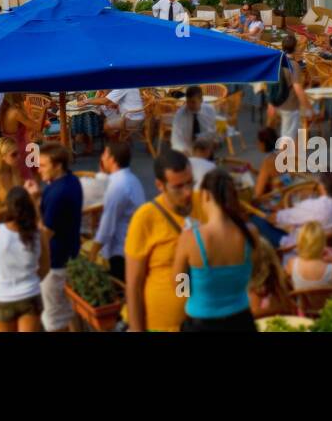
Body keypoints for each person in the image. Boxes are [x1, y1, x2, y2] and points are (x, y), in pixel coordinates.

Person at [125, 149, 208, 332]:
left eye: (190, 183)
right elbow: (134, 286)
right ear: (160, 185)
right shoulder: (145, 218)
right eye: (178, 187)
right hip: (161, 325)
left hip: (202, 319)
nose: (187, 192)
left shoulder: (203, 202)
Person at [172, 168, 266, 331]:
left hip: (201, 323)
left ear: (205, 196)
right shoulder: (250, 233)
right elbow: (254, 272)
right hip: (241, 320)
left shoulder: (191, 238)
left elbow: (180, 289)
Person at [26, 143, 82, 332]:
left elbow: (45, 232)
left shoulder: (58, 194)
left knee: (54, 319)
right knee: (69, 310)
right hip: (70, 253)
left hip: (55, 261)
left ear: (58, 166)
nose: (39, 170)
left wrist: (34, 201)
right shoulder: (71, 181)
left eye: (43, 165)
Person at [0, 186, 50, 332]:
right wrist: (32, 280)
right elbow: (45, 267)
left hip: (2, 296)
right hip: (30, 294)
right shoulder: (38, 234)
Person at [91, 140, 145, 281]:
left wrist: (93, 253)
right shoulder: (132, 179)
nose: (102, 158)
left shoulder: (117, 185)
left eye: (104, 155)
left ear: (112, 159)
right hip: (133, 243)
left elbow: (106, 227)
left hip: (120, 251)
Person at [274, 172, 332, 251]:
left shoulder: (312, 207)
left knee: (261, 221)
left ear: (322, 187)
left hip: (299, 249)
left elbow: (278, 218)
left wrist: (285, 197)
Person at [170, 84, 218, 156]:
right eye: (188, 101)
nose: (190, 105)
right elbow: (175, 137)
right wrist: (182, 150)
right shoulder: (180, 114)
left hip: (205, 148)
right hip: (187, 150)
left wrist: (212, 143)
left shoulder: (209, 110)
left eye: (193, 102)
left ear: (201, 100)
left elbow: (214, 131)